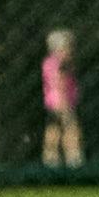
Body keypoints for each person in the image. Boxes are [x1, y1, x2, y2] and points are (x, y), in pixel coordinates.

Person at [41, 28, 83, 166]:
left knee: (53, 129)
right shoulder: (60, 65)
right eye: (67, 47)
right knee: (70, 129)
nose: (70, 51)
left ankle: (50, 158)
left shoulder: (48, 63)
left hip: (53, 102)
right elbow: (60, 84)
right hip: (62, 102)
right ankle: (73, 157)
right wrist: (64, 103)